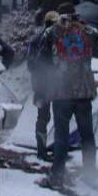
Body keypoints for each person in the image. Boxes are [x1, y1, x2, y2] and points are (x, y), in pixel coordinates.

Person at [37, 2, 98, 189]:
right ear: (75, 13)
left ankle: (57, 177)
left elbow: (41, 60)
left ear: (59, 14)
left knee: (61, 136)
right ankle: (90, 175)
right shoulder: (89, 31)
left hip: (60, 92)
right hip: (84, 92)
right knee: (87, 135)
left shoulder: (51, 32)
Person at [27, 11, 60, 162]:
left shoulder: (35, 39)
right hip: (55, 84)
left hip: (39, 84)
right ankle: (56, 149)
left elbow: (30, 65)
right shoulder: (56, 39)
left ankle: (42, 150)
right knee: (58, 117)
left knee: (43, 117)